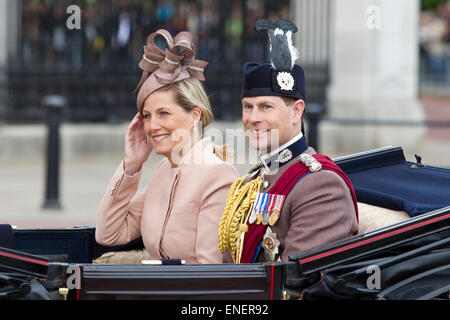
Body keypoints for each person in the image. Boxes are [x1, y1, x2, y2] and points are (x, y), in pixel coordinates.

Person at [218, 19, 359, 263]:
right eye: (247, 107)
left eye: (266, 107)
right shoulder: (256, 177)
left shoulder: (320, 185)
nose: (253, 118)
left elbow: (294, 285)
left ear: (296, 111)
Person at [96, 29, 239, 264]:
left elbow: (209, 272)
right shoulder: (163, 170)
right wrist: (131, 166)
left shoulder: (217, 175)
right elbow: (109, 233)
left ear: (195, 115)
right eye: (148, 116)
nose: (153, 126)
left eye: (164, 113)